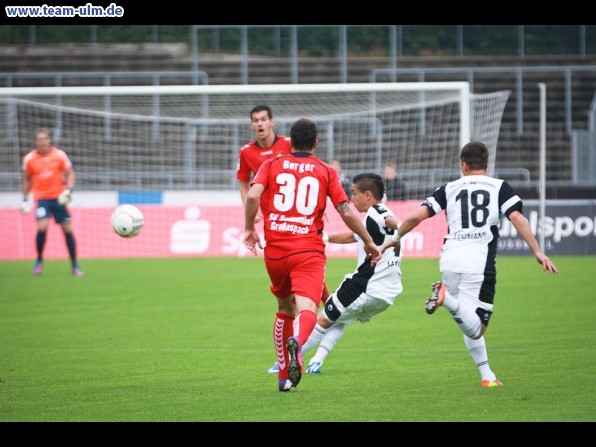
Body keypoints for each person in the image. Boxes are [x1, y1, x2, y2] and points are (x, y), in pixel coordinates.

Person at [380, 141, 558, 387]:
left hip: (450, 260)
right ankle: (445, 297)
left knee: (466, 319)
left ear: (463, 165)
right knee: (477, 328)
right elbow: (516, 216)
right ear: (486, 164)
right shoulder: (500, 187)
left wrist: (396, 238)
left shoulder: (448, 188)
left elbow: (415, 216)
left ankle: (487, 376)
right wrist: (538, 251)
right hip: (478, 262)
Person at [243, 118, 381, 392]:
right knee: (308, 309)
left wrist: (249, 229)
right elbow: (345, 210)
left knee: (284, 309)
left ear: (290, 143)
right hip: (308, 250)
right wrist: (368, 241)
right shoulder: (326, 171)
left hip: (276, 252)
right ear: (316, 143)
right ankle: (299, 344)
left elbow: (251, 197)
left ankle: (284, 377)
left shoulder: (270, 164)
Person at [236, 105, 330, 375]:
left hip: (298, 222)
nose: (260, 124)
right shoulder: (247, 152)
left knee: (292, 299)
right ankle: (295, 350)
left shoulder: (290, 145)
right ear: (252, 125)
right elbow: (245, 184)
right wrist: (249, 213)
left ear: (272, 122)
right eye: (255, 121)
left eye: (264, 119)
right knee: (296, 297)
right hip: (276, 225)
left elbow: (309, 171)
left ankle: (320, 317)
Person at [300, 172, 404, 374]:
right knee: (340, 317)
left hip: (365, 286)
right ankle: (317, 361)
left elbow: (395, 222)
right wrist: (326, 239)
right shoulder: (371, 221)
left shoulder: (376, 211)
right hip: (387, 293)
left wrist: (401, 228)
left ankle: (287, 362)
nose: (351, 198)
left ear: (368, 194)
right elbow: (352, 236)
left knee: (322, 319)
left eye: (354, 193)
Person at [20, 127, 84, 277]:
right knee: (42, 227)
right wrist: (24, 199)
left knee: (67, 230)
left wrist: (69, 190)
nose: (42, 142)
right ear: (35, 141)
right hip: (42, 199)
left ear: (49, 140)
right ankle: (39, 261)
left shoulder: (59, 155)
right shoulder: (29, 159)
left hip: (58, 199)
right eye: (39, 139)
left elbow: (70, 173)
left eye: (44, 139)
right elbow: (27, 179)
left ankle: (74, 264)